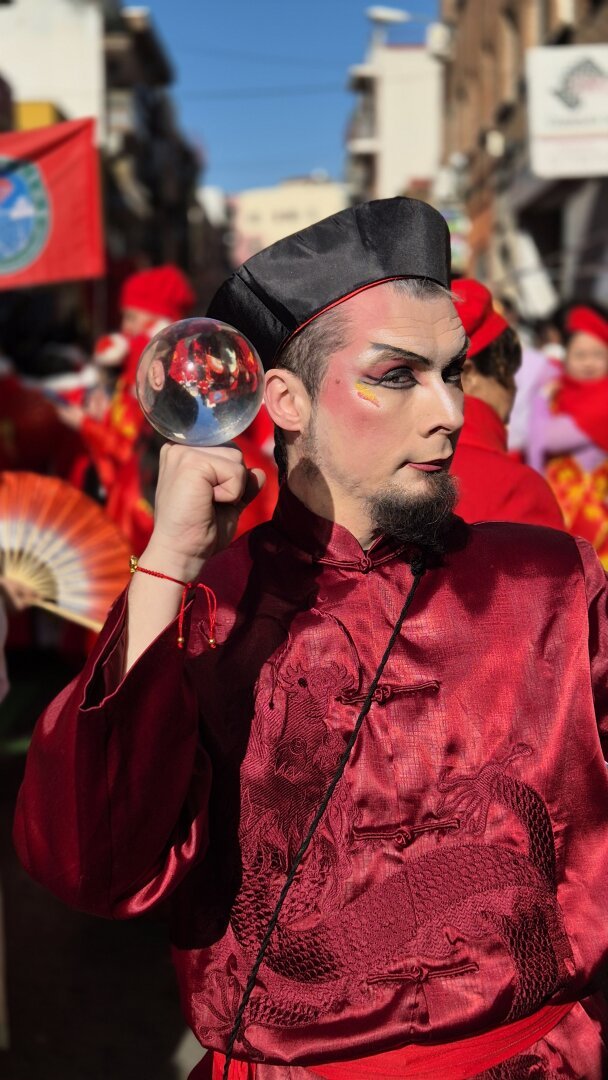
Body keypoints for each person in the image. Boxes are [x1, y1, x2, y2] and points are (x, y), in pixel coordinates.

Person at [13, 198, 608, 1079]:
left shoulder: (548, 581)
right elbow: (92, 864)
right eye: (397, 376)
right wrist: (168, 561)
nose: (447, 411)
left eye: (452, 372)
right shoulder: (207, 609)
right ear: (283, 400)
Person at [55, 265, 196, 553]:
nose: (125, 328)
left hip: (140, 520)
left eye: (131, 317)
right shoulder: (130, 376)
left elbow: (132, 452)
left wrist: (86, 424)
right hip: (122, 506)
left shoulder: (162, 389)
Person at [451, 278, 563, 528]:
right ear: (468, 376)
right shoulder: (519, 490)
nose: (513, 391)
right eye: (509, 376)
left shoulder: (385, 471)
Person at [528, 304, 608, 567]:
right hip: (560, 517)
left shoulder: (602, 401)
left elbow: (544, 439)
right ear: (567, 357)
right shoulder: (563, 393)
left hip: (594, 523)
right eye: (580, 354)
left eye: (598, 354)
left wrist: (540, 401)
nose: (588, 362)